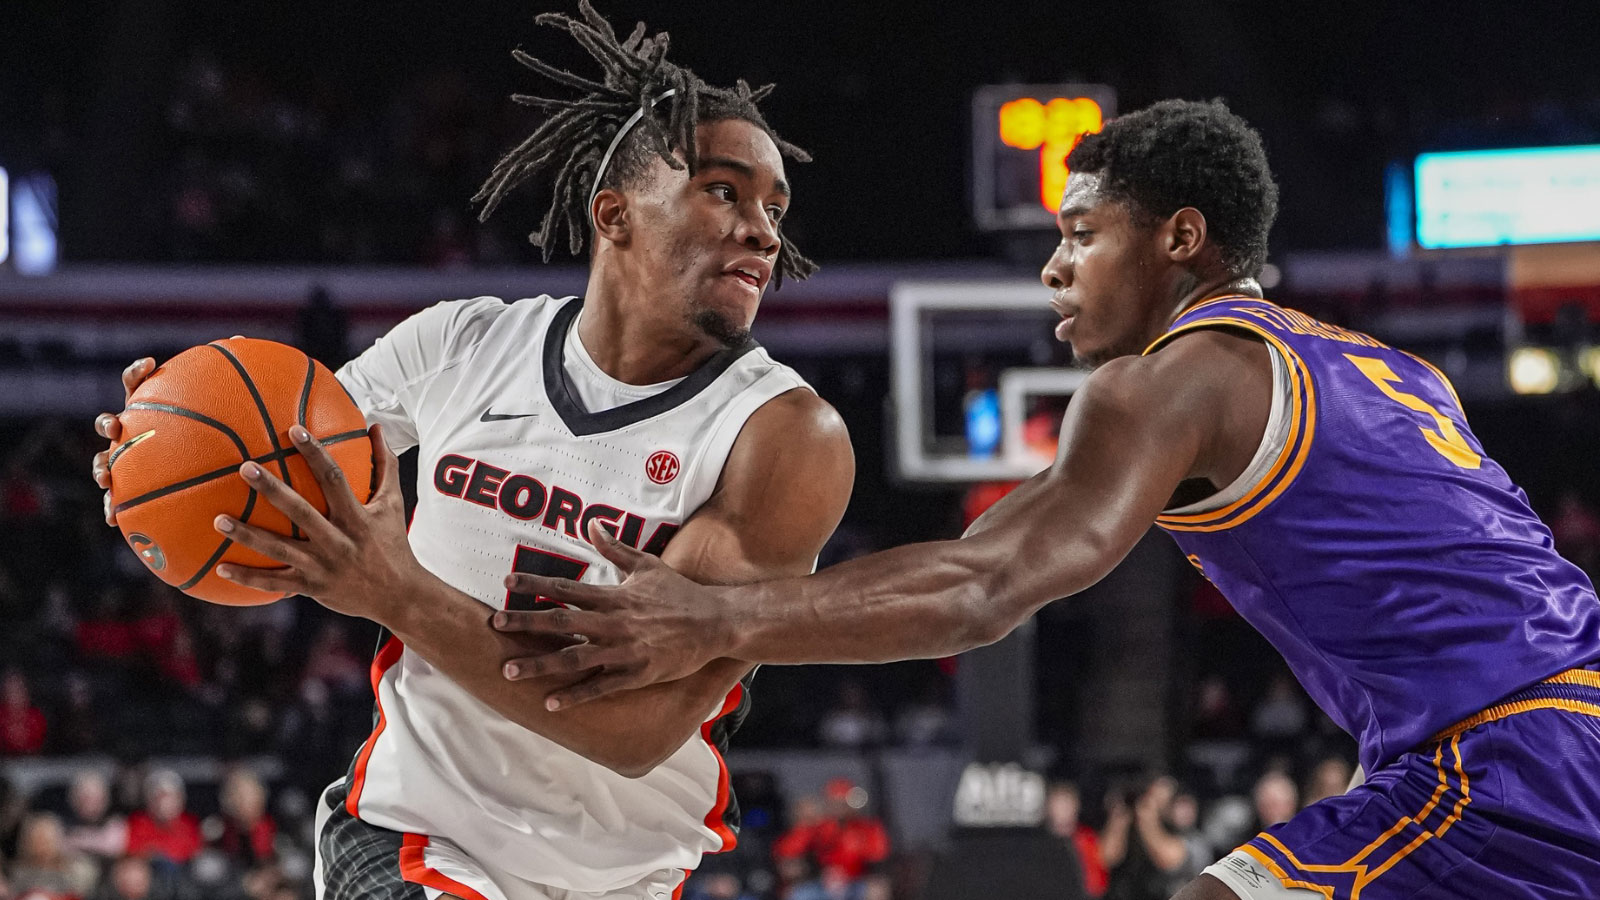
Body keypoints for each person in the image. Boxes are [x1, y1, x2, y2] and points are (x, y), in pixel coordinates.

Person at [495, 99, 1600, 899]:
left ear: (1179, 240)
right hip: (1541, 731)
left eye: (1081, 235)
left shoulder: (1173, 379)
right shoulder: (1383, 366)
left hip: (1509, 756)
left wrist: (713, 618)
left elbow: (981, 585)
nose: (1052, 269)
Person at [90, 3, 852, 899]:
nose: (764, 230)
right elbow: (276, 472)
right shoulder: (461, 345)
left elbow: (638, 729)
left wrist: (396, 593)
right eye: (725, 191)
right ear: (615, 214)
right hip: (419, 836)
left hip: (631, 871)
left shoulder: (782, 436)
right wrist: (165, 460)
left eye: (774, 207)